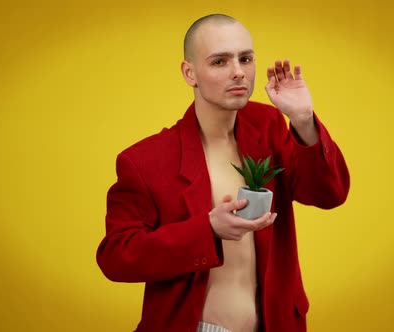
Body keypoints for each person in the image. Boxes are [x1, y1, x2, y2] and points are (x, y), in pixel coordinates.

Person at [96, 14, 350, 332]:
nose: (238, 72)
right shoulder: (145, 159)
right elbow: (116, 256)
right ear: (190, 73)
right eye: (220, 62)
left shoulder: (269, 126)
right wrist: (207, 229)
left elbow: (329, 194)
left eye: (245, 58)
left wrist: (303, 120)